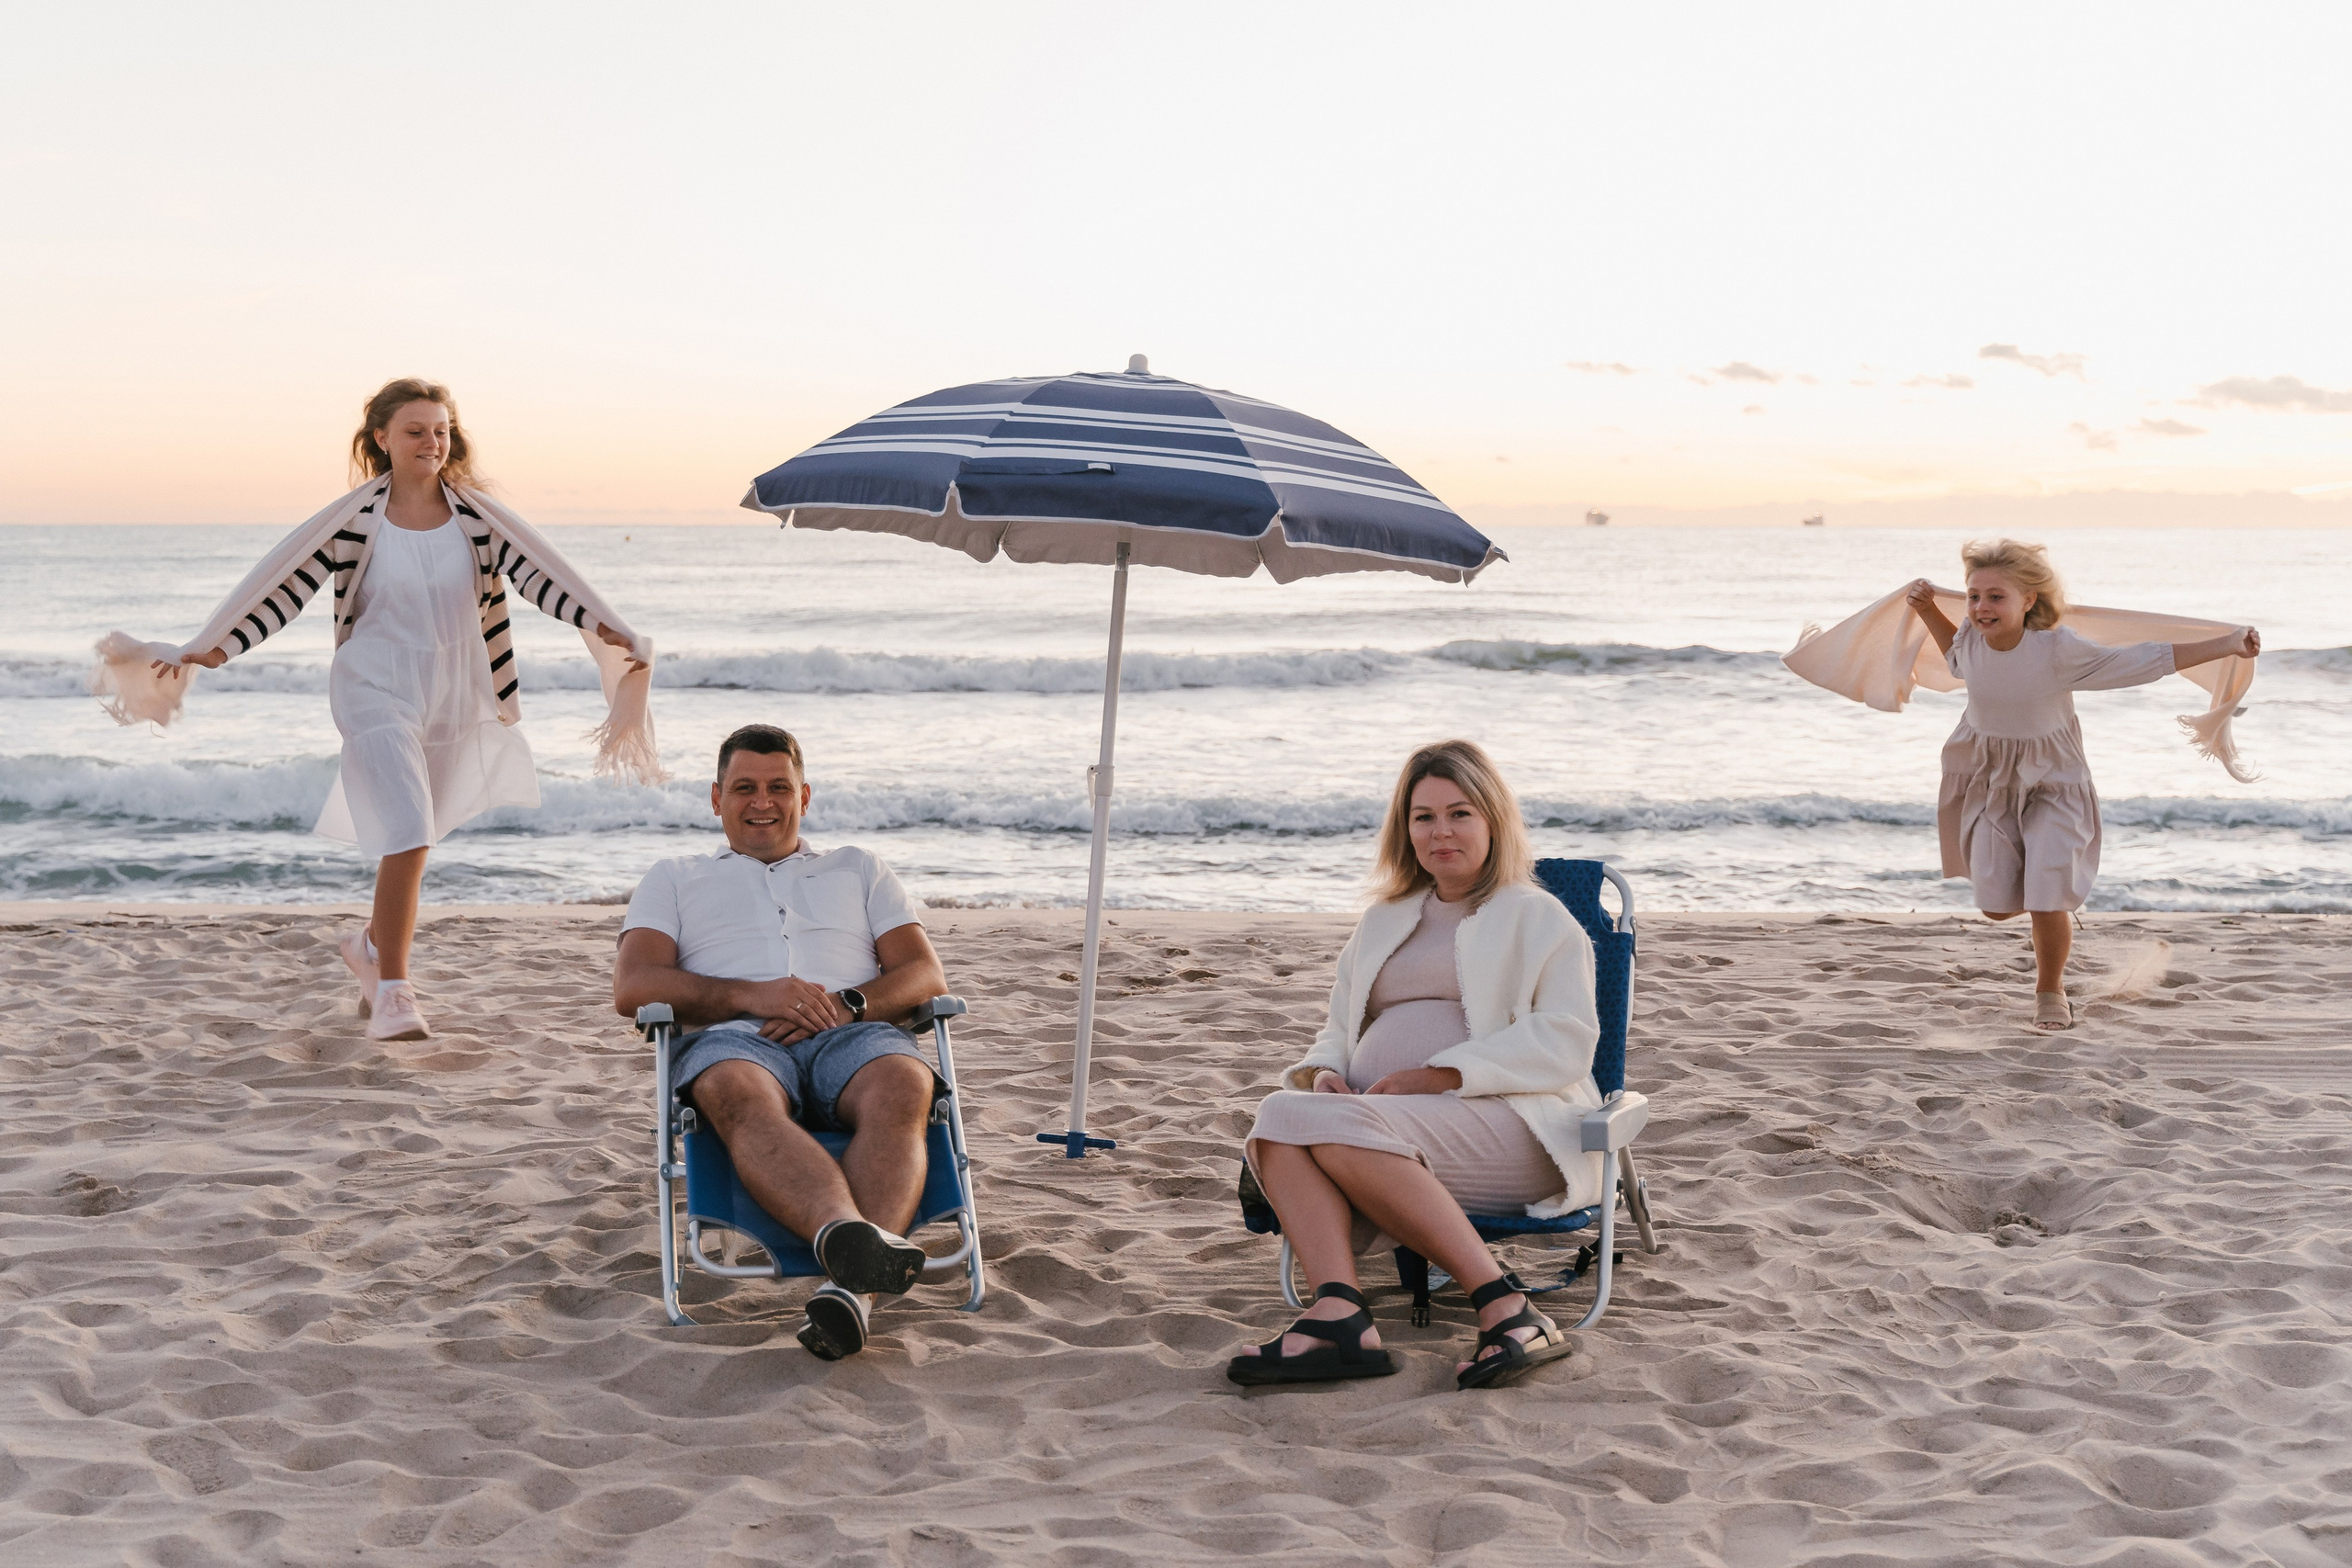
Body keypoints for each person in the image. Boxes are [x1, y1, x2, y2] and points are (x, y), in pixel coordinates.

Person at [91, 378, 659, 1042]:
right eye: (416, 430)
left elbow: (538, 578)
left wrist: (598, 622)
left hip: (451, 688)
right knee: (409, 827)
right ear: (381, 438)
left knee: (415, 840)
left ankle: (368, 949)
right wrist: (216, 649)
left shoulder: (478, 518)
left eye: (441, 430)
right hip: (372, 684)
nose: (432, 442)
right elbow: (284, 587)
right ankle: (394, 989)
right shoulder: (355, 520)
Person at [1228, 739, 1605, 1392]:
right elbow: (1338, 1026)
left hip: (1514, 1123)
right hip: (1388, 1129)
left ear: (1493, 820)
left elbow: (1567, 1038)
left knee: (1293, 1121)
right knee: (1280, 1117)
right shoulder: (1384, 919)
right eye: (1423, 816)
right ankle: (1340, 1313)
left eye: (1460, 813)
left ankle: (1507, 1305)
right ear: (1405, 829)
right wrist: (1326, 1072)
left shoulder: (1536, 916)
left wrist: (1443, 1073)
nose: (1441, 831)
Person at [613, 724, 950, 1362]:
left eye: (778, 787)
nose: (761, 801)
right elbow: (634, 985)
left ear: (806, 796)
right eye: (744, 787)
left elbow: (925, 975)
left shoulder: (859, 868)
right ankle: (846, 1244)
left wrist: (848, 1004)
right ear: (716, 798)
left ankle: (852, 1290)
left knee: (905, 1081)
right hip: (738, 1037)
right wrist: (752, 995)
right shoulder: (675, 877)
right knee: (734, 1089)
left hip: (850, 1031)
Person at [1905, 540, 2258, 1030]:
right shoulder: (1970, 639)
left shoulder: (2056, 649)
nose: (1982, 607)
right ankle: (2045, 901)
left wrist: (2227, 644)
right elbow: (1955, 657)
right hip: (1991, 783)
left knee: (2046, 891)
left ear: (2028, 600)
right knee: (1996, 906)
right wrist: (1926, 609)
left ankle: (2050, 991)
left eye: (1996, 597)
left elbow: (2141, 660)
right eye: (1973, 596)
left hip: (2056, 781)